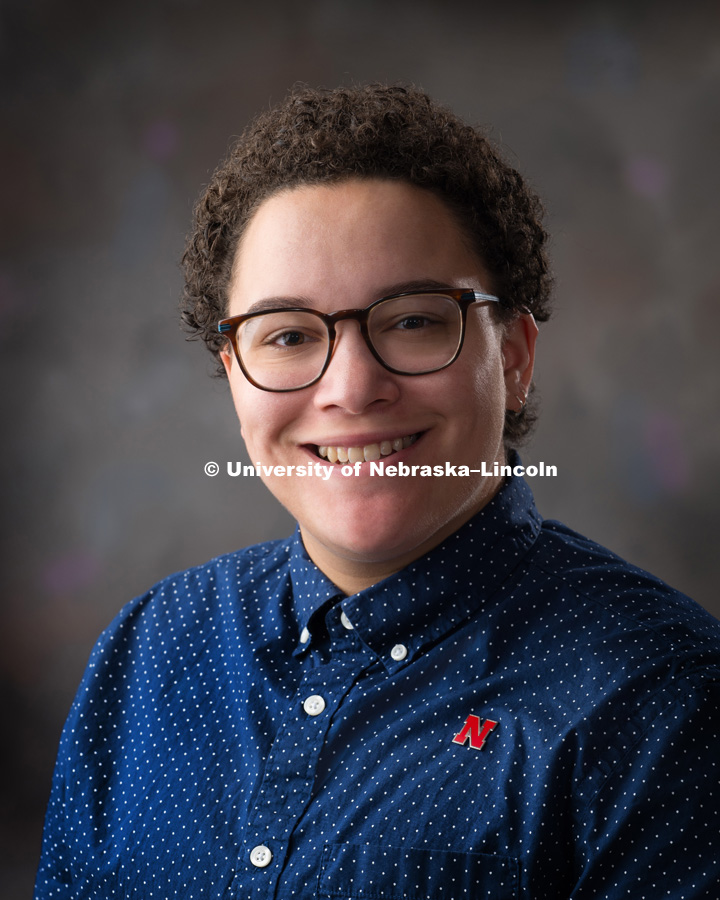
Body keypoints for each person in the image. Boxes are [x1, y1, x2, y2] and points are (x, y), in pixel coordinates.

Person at [36, 84, 719, 899]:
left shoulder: (665, 697)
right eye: (288, 335)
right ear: (234, 377)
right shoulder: (149, 648)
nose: (352, 389)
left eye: (413, 322)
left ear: (514, 358)